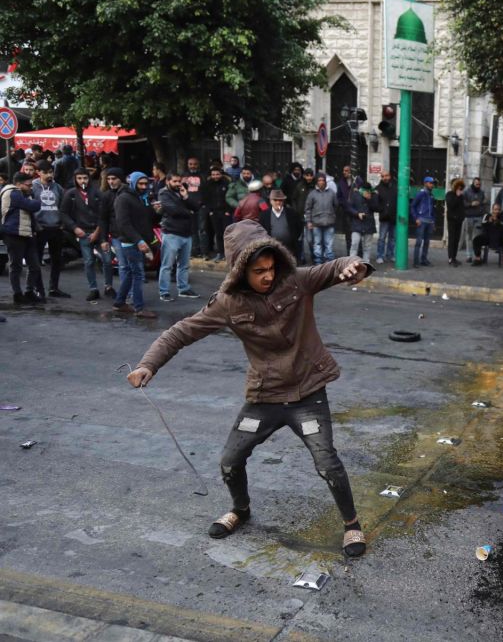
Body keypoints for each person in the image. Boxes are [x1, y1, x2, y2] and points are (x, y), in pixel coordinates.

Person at [124, 220, 373, 556]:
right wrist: (147, 364)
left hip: (307, 394)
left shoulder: (297, 281)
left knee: (327, 463)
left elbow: (339, 266)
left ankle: (352, 525)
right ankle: (240, 509)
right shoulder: (228, 303)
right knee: (230, 459)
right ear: (241, 271)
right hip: (264, 398)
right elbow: (180, 332)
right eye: (259, 271)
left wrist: (354, 267)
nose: (268, 276)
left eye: (271, 268)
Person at [112, 172, 157, 318]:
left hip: (140, 241)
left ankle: (119, 302)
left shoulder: (142, 198)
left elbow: (148, 220)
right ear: (134, 183)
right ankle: (139, 307)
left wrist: (157, 211)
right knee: (138, 274)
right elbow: (124, 224)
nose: (144, 187)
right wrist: (139, 241)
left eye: (146, 184)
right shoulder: (123, 199)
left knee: (132, 273)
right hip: (130, 242)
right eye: (141, 184)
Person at [157, 172, 201, 302]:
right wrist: (189, 212)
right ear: (168, 181)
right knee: (167, 265)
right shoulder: (164, 193)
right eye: (174, 181)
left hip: (186, 233)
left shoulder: (182, 192)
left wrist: (186, 196)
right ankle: (164, 291)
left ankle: (184, 288)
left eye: (179, 181)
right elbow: (173, 210)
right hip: (171, 233)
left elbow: (196, 207)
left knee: (184, 265)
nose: (177, 184)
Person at [60, 168, 103, 300]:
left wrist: (98, 230)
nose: (82, 181)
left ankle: (108, 286)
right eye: (79, 178)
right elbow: (63, 213)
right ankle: (93, 289)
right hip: (83, 232)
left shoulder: (96, 192)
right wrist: (74, 228)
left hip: (99, 231)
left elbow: (104, 213)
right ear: (75, 179)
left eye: (85, 178)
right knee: (88, 261)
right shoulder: (70, 194)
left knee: (107, 261)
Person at [1, 172, 44, 304]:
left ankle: (29, 291)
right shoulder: (13, 193)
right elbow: (34, 206)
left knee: (34, 266)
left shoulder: (21, 193)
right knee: (16, 265)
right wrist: (34, 200)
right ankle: (18, 294)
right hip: (13, 233)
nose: (31, 187)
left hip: (26, 233)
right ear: (19, 184)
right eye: (28, 185)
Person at [31, 160, 70, 299]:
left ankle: (54, 288)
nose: (49, 175)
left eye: (51, 172)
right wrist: (36, 225)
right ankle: (37, 289)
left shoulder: (57, 187)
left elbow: (63, 206)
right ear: (39, 173)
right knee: (36, 260)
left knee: (56, 260)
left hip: (56, 227)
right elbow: (29, 208)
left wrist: (62, 223)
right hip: (40, 228)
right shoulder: (33, 187)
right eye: (46, 172)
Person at [97, 167, 125, 297]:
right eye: (108, 179)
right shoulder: (107, 196)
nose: (111, 181)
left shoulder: (127, 193)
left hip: (128, 234)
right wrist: (103, 239)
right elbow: (103, 218)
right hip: (115, 235)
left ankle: (127, 292)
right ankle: (114, 289)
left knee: (127, 265)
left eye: (113, 179)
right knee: (120, 264)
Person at [305, 173, 338, 265]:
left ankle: (329, 263)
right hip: (316, 223)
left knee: (329, 244)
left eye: (323, 180)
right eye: (319, 180)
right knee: (317, 244)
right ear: (316, 182)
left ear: (325, 182)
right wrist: (309, 221)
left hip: (329, 222)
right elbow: (308, 209)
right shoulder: (312, 194)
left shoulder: (332, 193)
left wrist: (331, 215)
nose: (321, 182)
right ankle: (318, 263)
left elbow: (336, 206)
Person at [259, 189, 302, 258]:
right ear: (270, 201)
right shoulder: (265, 215)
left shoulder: (291, 213)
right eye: (275, 200)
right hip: (271, 250)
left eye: (280, 200)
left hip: (290, 249)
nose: (278, 202)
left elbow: (299, 228)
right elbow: (261, 231)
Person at [201, 166, 232, 262]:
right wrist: (210, 211)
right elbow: (205, 199)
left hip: (225, 212)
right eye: (213, 174)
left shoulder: (227, 184)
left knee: (226, 233)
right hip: (214, 213)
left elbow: (230, 197)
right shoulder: (208, 184)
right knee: (218, 233)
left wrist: (228, 211)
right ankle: (220, 253)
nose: (215, 176)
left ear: (221, 174)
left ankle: (228, 254)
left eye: (217, 174)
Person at [183, 157, 206, 258]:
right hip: (188, 207)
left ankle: (204, 252)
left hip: (201, 207)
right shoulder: (183, 176)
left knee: (202, 229)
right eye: (190, 164)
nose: (193, 166)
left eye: (195, 164)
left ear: (198, 164)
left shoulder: (203, 176)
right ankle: (194, 251)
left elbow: (207, 191)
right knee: (192, 230)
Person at [347, 184, 377, 262]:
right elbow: (349, 207)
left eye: (368, 192)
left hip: (369, 224)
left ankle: (366, 263)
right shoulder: (355, 195)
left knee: (367, 246)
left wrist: (370, 200)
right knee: (354, 244)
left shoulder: (373, 196)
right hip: (357, 224)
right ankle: (351, 263)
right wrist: (357, 214)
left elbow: (377, 208)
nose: (367, 193)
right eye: (366, 192)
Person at [411, 177, 436, 267]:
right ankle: (416, 261)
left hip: (429, 221)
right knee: (418, 242)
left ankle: (424, 259)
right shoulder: (421, 194)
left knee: (427, 242)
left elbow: (433, 210)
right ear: (425, 183)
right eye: (430, 183)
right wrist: (416, 218)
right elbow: (413, 206)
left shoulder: (431, 195)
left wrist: (433, 221)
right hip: (421, 220)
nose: (432, 185)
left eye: (432, 183)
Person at [462, 177, 487, 262]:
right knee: (468, 237)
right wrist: (470, 204)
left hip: (479, 216)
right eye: (476, 184)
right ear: (473, 183)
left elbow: (484, 203)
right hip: (469, 216)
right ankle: (469, 256)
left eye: (479, 184)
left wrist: (482, 209)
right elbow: (462, 203)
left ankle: (477, 255)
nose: (478, 186)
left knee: (477, 237)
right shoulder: (466, 191)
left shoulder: (481, 192)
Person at [375, 171, 397, 264]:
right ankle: (380, 255)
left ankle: (390, 255)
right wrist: (382, 210)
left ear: (390, 176)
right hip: (384, 217)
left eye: (386, 176)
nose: (385, 178)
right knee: (382, 238)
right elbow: (375, 202)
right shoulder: (378, 188)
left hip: (393, 217)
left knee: (393, 238)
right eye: (383, 176)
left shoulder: (395, 187)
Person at [445, 179, 466, 267]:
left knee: (457, 239)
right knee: (452, 239)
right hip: (452, 220)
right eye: (458, 187)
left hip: (459, 220)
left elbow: (462, 207)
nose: (460, 189)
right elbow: (451, 205)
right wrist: (457, 196)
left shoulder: (461, 196)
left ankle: (454, 257)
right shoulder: (449, 194)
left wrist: (463, 216)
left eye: (461, 188)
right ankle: (450, 258)